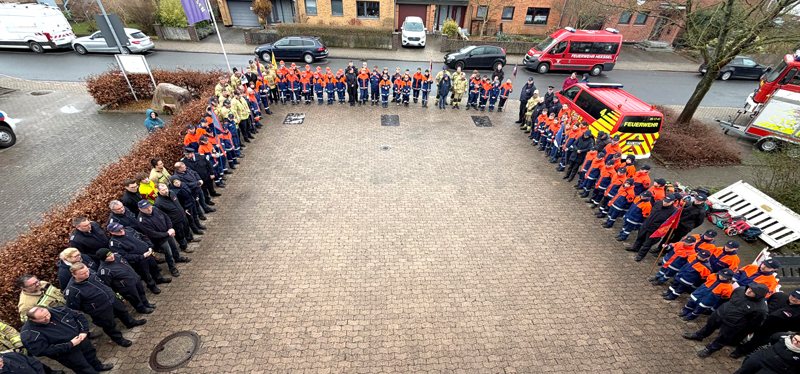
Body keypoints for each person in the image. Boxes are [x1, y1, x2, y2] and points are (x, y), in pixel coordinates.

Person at [64, 263, 146, 347]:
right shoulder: (72, 291)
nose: (87, 274)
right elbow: (74, 307)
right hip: (100, 309)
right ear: (74, 274)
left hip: (112, 299)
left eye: (87, 270)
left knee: (123, 311)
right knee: (109, 325)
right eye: (83, 273)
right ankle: (118, 339)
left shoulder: (91, 272)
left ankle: (130, 323)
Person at [683, 283, 769, 358]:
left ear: (759, 295)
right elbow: (731, 297)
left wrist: (740, 327)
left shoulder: (761, 309)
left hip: (732, 324)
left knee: (723, 338)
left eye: (752, 291)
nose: (749, 291)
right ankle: (699, 335)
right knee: (709, 325)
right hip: (720, 313)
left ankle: (710, 349)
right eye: (750, 288)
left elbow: (755, 323)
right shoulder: (740, 290)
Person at [20, 306, 113, 374]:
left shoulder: (58, 310)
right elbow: (43, 350)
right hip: (66, 353)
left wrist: (84, 332)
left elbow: (79, 317)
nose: (48, 318)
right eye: (43, 318)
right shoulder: (29, 335)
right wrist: (70, 344)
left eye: (47, 314)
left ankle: (98, 366)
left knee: (91, 355)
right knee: (82, 367)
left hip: (82, 340)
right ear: (32, 319)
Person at [730, 288, 800, 358]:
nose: (794, 299)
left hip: (772, 329)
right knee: (745, 330)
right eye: (793, 296)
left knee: (756, 341)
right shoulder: (779, 296)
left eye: (798, 298)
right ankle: (734, 341)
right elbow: (767, 303)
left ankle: (740, 352)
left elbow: (795, 327)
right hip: (759, 320)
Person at [107, 222, 170, 294]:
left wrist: (149, 246)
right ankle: (152, 286)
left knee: (154, 267)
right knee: (145, 274)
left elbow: (142, 237)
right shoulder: (114, 243)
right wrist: (141, 257)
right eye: (118, 230)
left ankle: (159, 279)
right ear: (112, 232)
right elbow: (124, 256)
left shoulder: (129, 230)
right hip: (139, 261)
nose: (121, 230)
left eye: (121, 228)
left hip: (148, 253)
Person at [137, 200, 190, 277]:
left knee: (174, 247)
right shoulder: (142, 221)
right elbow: (153, 234)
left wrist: (170, 229)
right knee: (168, 253)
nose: (149, 209)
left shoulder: (155, 209)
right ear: (140, 209)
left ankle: (178, 258)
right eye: (146, 208)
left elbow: (166, 217)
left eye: (149, 206)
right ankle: (172, 267)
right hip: (160, 239)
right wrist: (167, 233)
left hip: (168, 233)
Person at [95, 249, 155, 314]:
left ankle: (146, 303)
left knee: (141, 292)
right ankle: (141, 309)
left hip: (134, 278)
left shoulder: (117, 256)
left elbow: (128, 260)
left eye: (111, 254)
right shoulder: (104, 271)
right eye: (108, 256)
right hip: (126, 286)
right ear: (103, 259)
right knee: (135, 298)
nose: (112, 256)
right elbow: (107, 284)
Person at [626, 194, 678, 261]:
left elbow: (670, 223)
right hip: (646, 224)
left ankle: (641, 255)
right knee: (640, 237)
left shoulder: (673, 211)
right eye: (664, 201)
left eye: (667, 202)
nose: (664, 203)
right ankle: (635, 248)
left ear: (672, 202)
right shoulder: (658, 202)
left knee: (647, 244)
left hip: (655, 230)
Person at [154, 183, 195, 253]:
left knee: (186, 228)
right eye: (163, 190)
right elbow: (162, 216)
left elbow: (178, 203)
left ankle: (189, 238)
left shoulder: (172, 193)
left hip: (182, 216)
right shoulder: (158, 203)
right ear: (159, 191)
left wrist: (184, 209)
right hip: (175, 221)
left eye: (166, 188)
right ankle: (183, 246)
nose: (166, 191)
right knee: (179, 234)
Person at [732, 332, 800, 374]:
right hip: (760, 358)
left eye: (799, 342)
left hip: (774, 370)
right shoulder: (784, 337)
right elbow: (773, 338)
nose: (795, 342)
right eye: (795, 339)